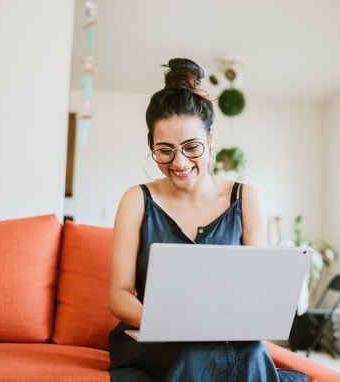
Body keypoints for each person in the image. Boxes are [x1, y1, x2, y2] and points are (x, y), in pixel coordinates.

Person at [108, 58, 309, 382]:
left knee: (252, 353)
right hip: (155, 337)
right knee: (192, 353)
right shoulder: (136, 200)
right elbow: (118, 295)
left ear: (211, 137)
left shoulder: (246, 199)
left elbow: (256, 294)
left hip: (227, 337)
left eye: (191, 147)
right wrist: (169, 324)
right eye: (164, 150)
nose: (179, 162)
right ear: (151, 146)